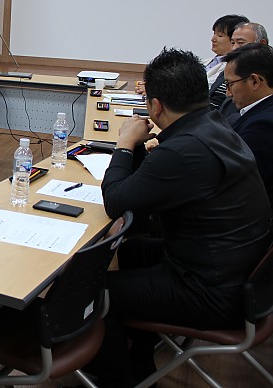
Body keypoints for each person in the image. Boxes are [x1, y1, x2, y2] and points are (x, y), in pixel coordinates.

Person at [93, 48, 271, 387]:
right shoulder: (213, 125)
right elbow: (148, 187)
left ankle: (118, 379)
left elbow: (116, 201)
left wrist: (125, 143)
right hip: (240, 275)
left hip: (213, 294)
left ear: (156, 106)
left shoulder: (183, 149)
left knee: (93, 293)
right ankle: (140, 357)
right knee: (131, 251)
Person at [135, 14, 249, 106]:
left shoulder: (229, 68)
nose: (213, 39)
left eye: (220, 35)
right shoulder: (207, 61)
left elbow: (198, 88)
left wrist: (158, 90)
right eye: (214, 33)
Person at [223, 43, 273, 204]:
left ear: (255, 81)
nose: (228, 93)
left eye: (230, 84)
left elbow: (237, 183)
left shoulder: (262, 126)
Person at [218, 22, 269, 124]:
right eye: (232, 43)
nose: (234, 48)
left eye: (241, 43)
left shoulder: (263, 122)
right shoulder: (228, 71)